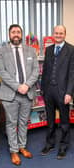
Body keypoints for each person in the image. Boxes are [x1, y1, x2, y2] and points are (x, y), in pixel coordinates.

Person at [0, 24, 39, 165]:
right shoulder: (1, 51)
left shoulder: (31, 51)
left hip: (27, 93)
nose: (16, 34)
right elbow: (2, 72)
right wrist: (18, 86)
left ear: (21, 34)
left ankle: (22, 146)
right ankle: (13, 150)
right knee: (11, 123)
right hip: (10, 94)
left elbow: (36, 71)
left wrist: (26, 85)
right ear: (9, 34)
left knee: (23, 123)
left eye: (18, 32)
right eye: (13, 32)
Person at [41, 25, 74, 159]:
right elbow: (45, 71)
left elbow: (72, 73)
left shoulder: (71, 50)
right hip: (48, 91)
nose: (58, 35)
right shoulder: (48, 50)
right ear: (53, 34)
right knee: (50, 120)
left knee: (64, 122)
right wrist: (43, 89)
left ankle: (63, 146)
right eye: (56, 33)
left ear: (64, 34)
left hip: (63, 92)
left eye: (61, 33)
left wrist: (69, 93)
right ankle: (50, 143)